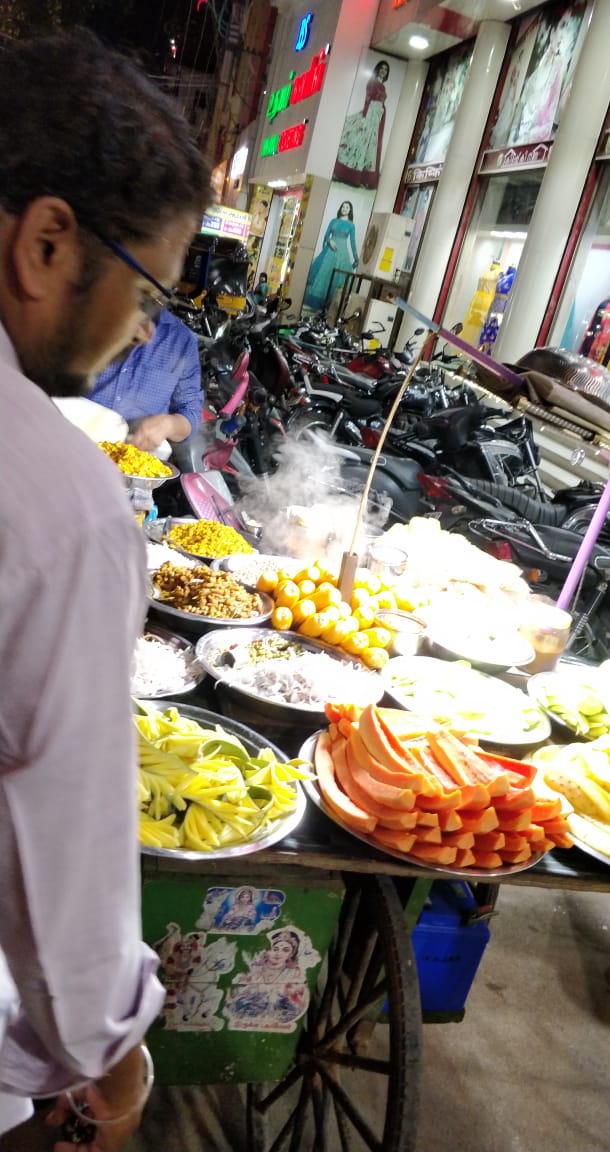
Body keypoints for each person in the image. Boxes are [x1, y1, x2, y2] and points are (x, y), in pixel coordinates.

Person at [0, 28, 210, 1151]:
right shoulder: (61, 507)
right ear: (46, 240)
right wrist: (109, 1068)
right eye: (149, 289)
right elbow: (60, 864)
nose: (145, 327)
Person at [88, 308, 203, 452]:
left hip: (132, 456)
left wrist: (169, 424)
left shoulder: (181, 341)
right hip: (74, 438)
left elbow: (191, 412)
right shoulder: (91, 315)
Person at [334, 60, 390, 189]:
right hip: (371, 115)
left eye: (386, 69)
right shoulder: (372, 82)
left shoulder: (382, 85)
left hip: (377, 117)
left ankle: (365, 178)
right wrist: (365, 116)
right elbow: (368, 99)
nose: (383, 71)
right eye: (381, 68)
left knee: (370, 146)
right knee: (361, 144)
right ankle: (350, 175)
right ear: (377, 69)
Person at [303, 201, 359, 312]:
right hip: (330, 251)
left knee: (338, 279)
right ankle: (318, 305)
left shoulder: (351, 226)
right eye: (343, 206)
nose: (344, 208)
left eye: (347, 207)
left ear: (350, 210)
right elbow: (325, 237)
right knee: (323, 275)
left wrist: (357, 258)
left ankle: (330, 307)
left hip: (342, 254)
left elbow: (352, 243)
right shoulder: (334, 221)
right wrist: (329, 241)